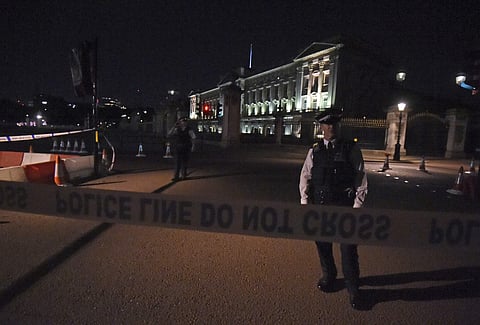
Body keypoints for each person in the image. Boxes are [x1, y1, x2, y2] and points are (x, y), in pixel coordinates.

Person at [299, 108, 368, 309]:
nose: (331, 127)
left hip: (345, 207)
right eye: (327, 124)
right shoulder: (315, 150)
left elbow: (360, 176)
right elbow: (305, 176)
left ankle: (353, 288)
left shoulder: (350, 148)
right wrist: (304, 203)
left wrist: (357, 206)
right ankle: (329, 276)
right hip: (320, 207)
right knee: (323, 245)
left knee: (348, 249)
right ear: (321, 127)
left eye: (334, 124)